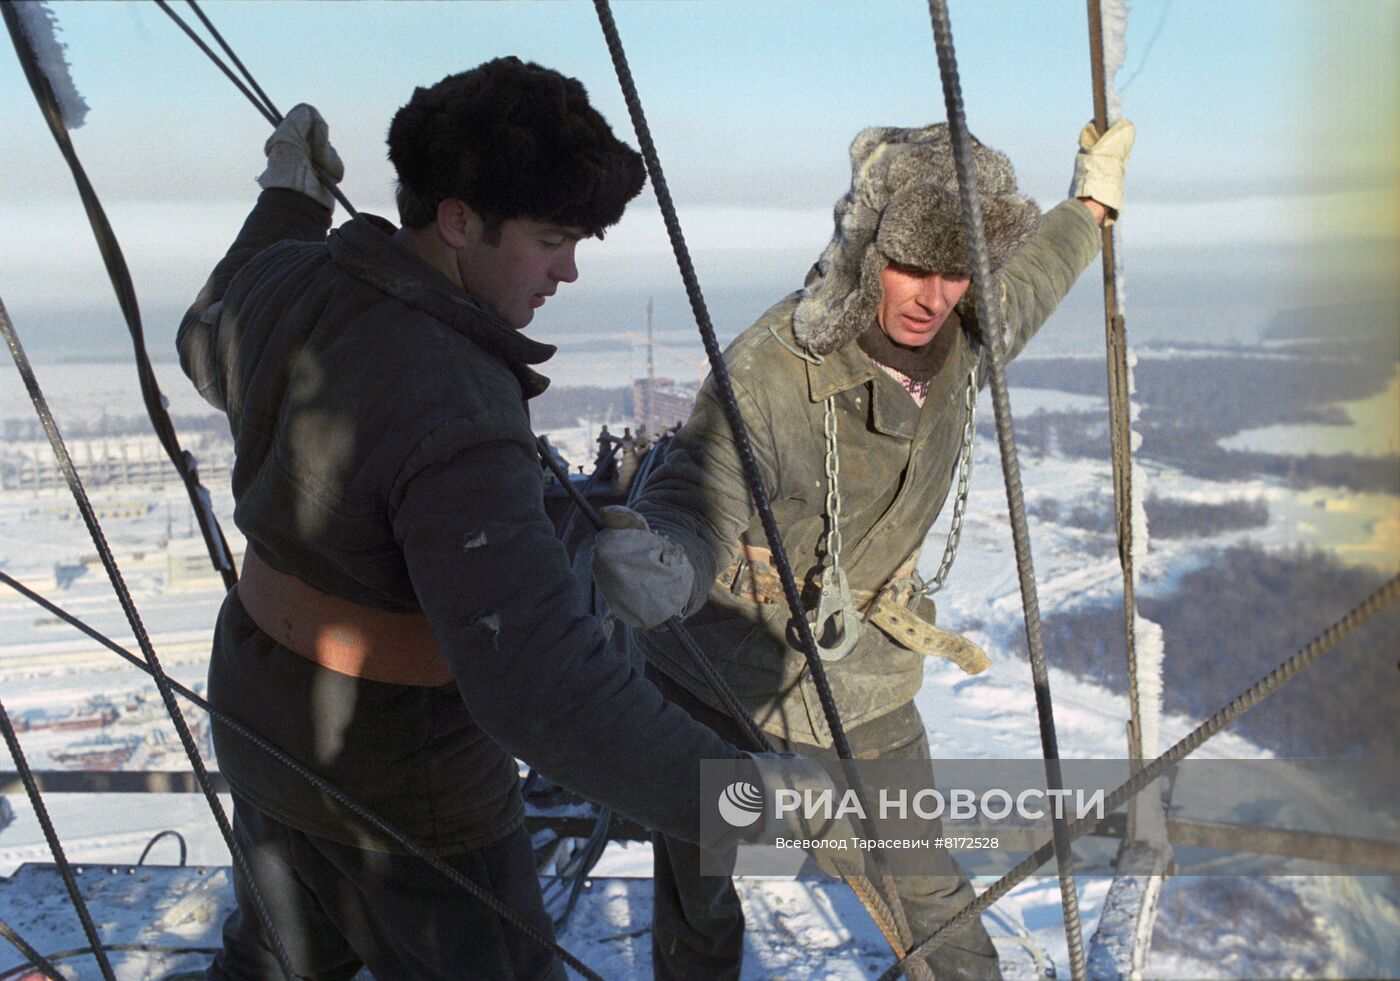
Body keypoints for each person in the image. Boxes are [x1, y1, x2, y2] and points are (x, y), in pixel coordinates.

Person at [176, 57, 768, 980]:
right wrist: (737, 791)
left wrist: (289, 202)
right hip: (405, 780)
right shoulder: (458, 401)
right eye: (551, 239)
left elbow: (210, 332)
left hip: (263, 720)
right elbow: (541, 688)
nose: (569, 270)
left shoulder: (300, 279)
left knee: (279, 964)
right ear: (458, 221)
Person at [594, 119, 1135, 978]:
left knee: (926, 884)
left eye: (957, 271)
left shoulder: (969, 332)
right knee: (706, 873)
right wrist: (668, 560)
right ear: (864, 256)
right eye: (912, 266)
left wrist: (1089, 204)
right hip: (728, 673)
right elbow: (705, 478)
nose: (933, 294)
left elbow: (1033, 276)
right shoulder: (776, 368)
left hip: (865, 674)